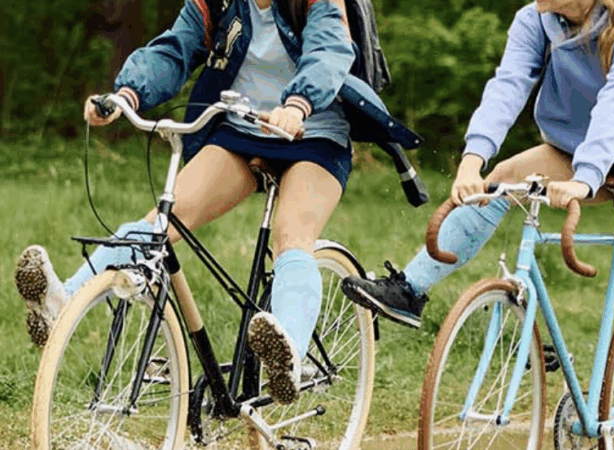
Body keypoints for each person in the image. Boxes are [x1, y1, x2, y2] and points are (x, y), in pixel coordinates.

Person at [14, 0, 415, 404]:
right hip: (241, 133)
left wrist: (297, 105)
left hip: (314, 134)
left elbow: (329, 52)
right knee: (163, 222)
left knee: (291, 236)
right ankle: (61, 302)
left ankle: (288, 355)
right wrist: (126, 95)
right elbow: (174, 50)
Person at [342, 0, 614, 363]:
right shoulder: (534, 20)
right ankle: (410, 291)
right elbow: (507, 87)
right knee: (501, 179)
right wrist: (471, 162)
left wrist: (585, 178)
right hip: (580, 151)